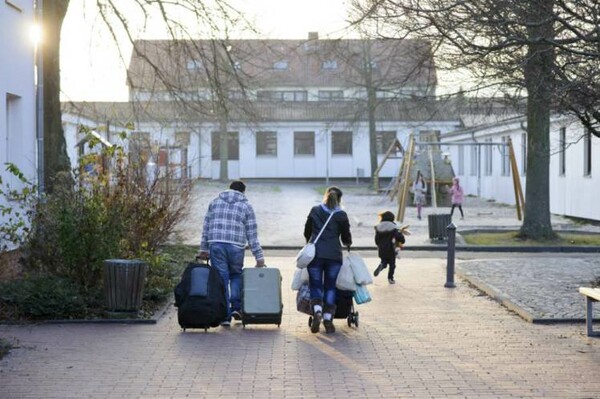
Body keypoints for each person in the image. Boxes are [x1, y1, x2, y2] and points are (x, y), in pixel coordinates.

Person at [198, 180, 265, 327]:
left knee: (222, 279)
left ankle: (225, 317)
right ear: (243, 192)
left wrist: (203, 248)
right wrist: (259, 257)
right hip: (236, 246)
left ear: (229, 189)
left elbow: (206, 227)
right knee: (235, 274)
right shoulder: (246, 205)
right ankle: (236, 308)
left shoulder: (214, 202)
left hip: (216, 244)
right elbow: (252, 234)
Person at [303, 186, 352, 334]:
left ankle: (317, 310)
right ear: (339, 199)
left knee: (316, 284)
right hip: (334, 255)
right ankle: (328, 317)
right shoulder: (341, 215)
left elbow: (307, 230)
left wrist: (309, 242)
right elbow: (346, 236)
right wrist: (348, 244)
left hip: (315, 254)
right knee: (330, 286)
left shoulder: (315, 210)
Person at [373, 211, 406, 284]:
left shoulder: (379, 227)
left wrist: (379, 245)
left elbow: (376, 240)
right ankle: (390, 278)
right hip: (391, 248)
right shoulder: (393, 227)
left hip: (381, 249)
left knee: (384, 261)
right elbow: (398, 236)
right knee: (392, 264)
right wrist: (402, 240)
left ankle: (382, 265)